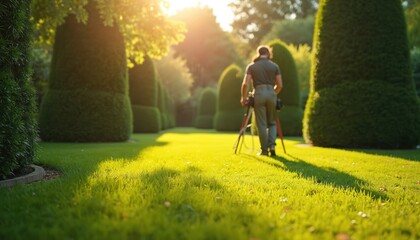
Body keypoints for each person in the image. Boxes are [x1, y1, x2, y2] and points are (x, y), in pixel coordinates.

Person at [240, 45, 282, 156]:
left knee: (262, 124)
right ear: (268, 53)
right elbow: (280, 85)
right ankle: (272, 146)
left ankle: (264, 150)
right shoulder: (274, 66)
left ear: (258, 53)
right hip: (272, 93)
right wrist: (273, 93)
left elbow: (245, 83)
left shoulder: (252, 66)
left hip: (258, 93)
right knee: (272, 122)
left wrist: (243, 98)